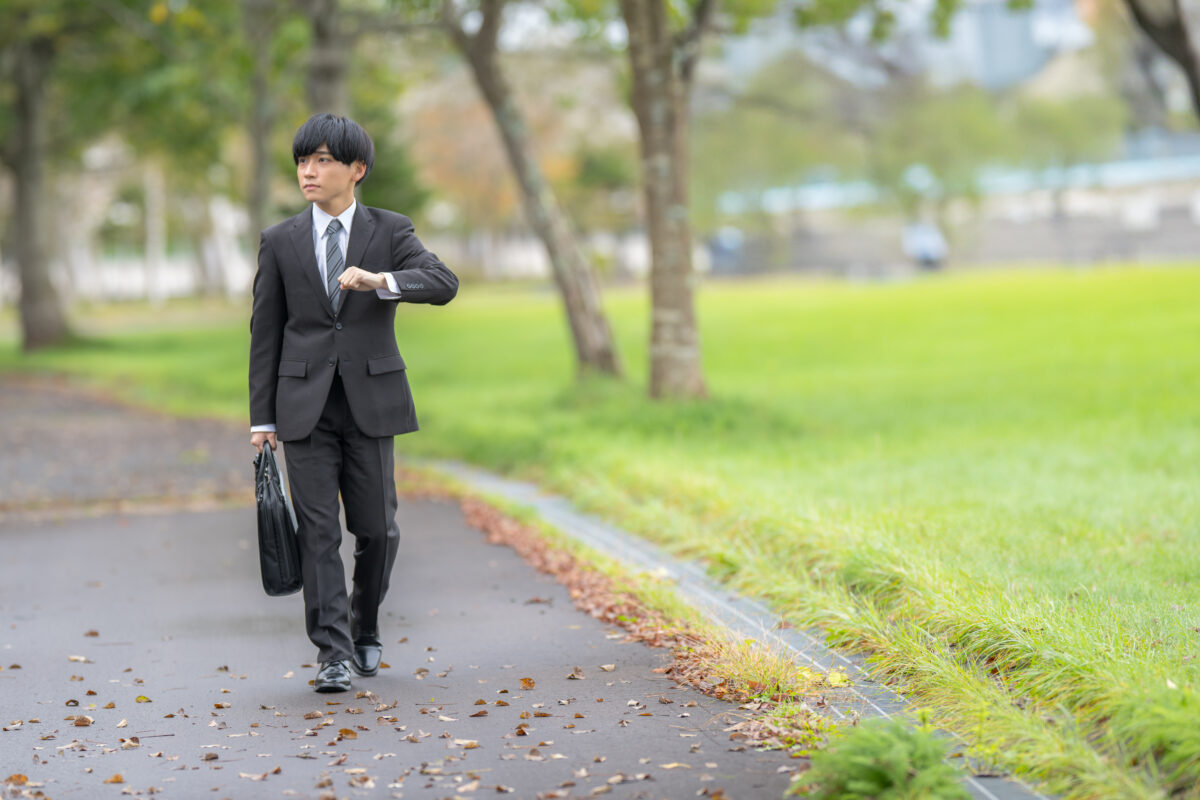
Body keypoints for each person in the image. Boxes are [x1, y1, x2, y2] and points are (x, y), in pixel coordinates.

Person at [248, 113, 458, 692]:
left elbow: (443, 283)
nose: (308, 172)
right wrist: (261, 420)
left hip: (371, 402)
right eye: (302, 162)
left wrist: (381, 280)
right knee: (318, 530)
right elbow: (265, 334)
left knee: (378, 531)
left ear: (356, 170)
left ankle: (365, 626)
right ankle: (332, 654)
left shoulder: (390, 230)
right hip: (302, 407)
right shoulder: (280, 240)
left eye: (321, 161)